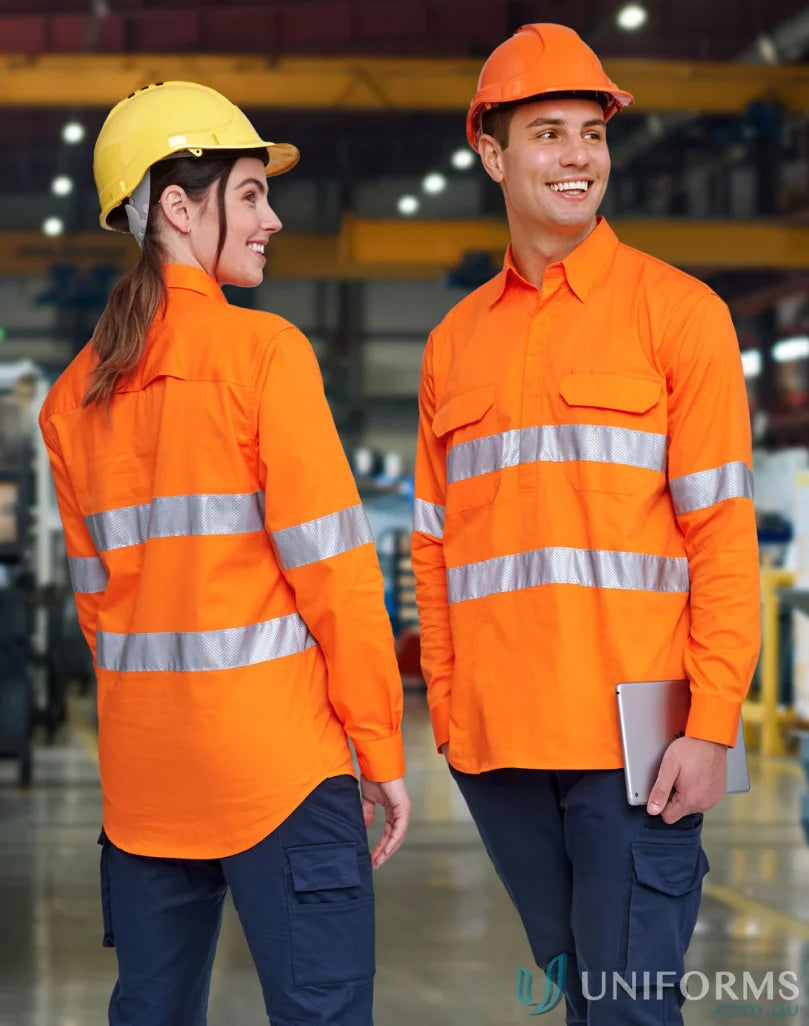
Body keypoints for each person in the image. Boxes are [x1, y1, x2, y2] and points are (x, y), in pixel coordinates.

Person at [39, 80, 411, 1026]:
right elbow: (336, 578)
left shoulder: (70, 398)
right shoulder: (265, 356)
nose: (272, 218)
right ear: (178, 206)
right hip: (279, 771)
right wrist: (378, 748)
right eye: (249, 193)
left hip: (144, 788)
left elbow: (98, 612)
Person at [412, 23, 759, 1026]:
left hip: (638, 745)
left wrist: (711, 723)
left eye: (589, 135)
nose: (575, 158)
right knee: (576, 996)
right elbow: (433, 545)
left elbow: (720, 539)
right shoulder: (451, 342)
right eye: (547, 134)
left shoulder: (677, 314)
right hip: (498, 746)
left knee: (625, 1008)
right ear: (490, 153)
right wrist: (447, 701)